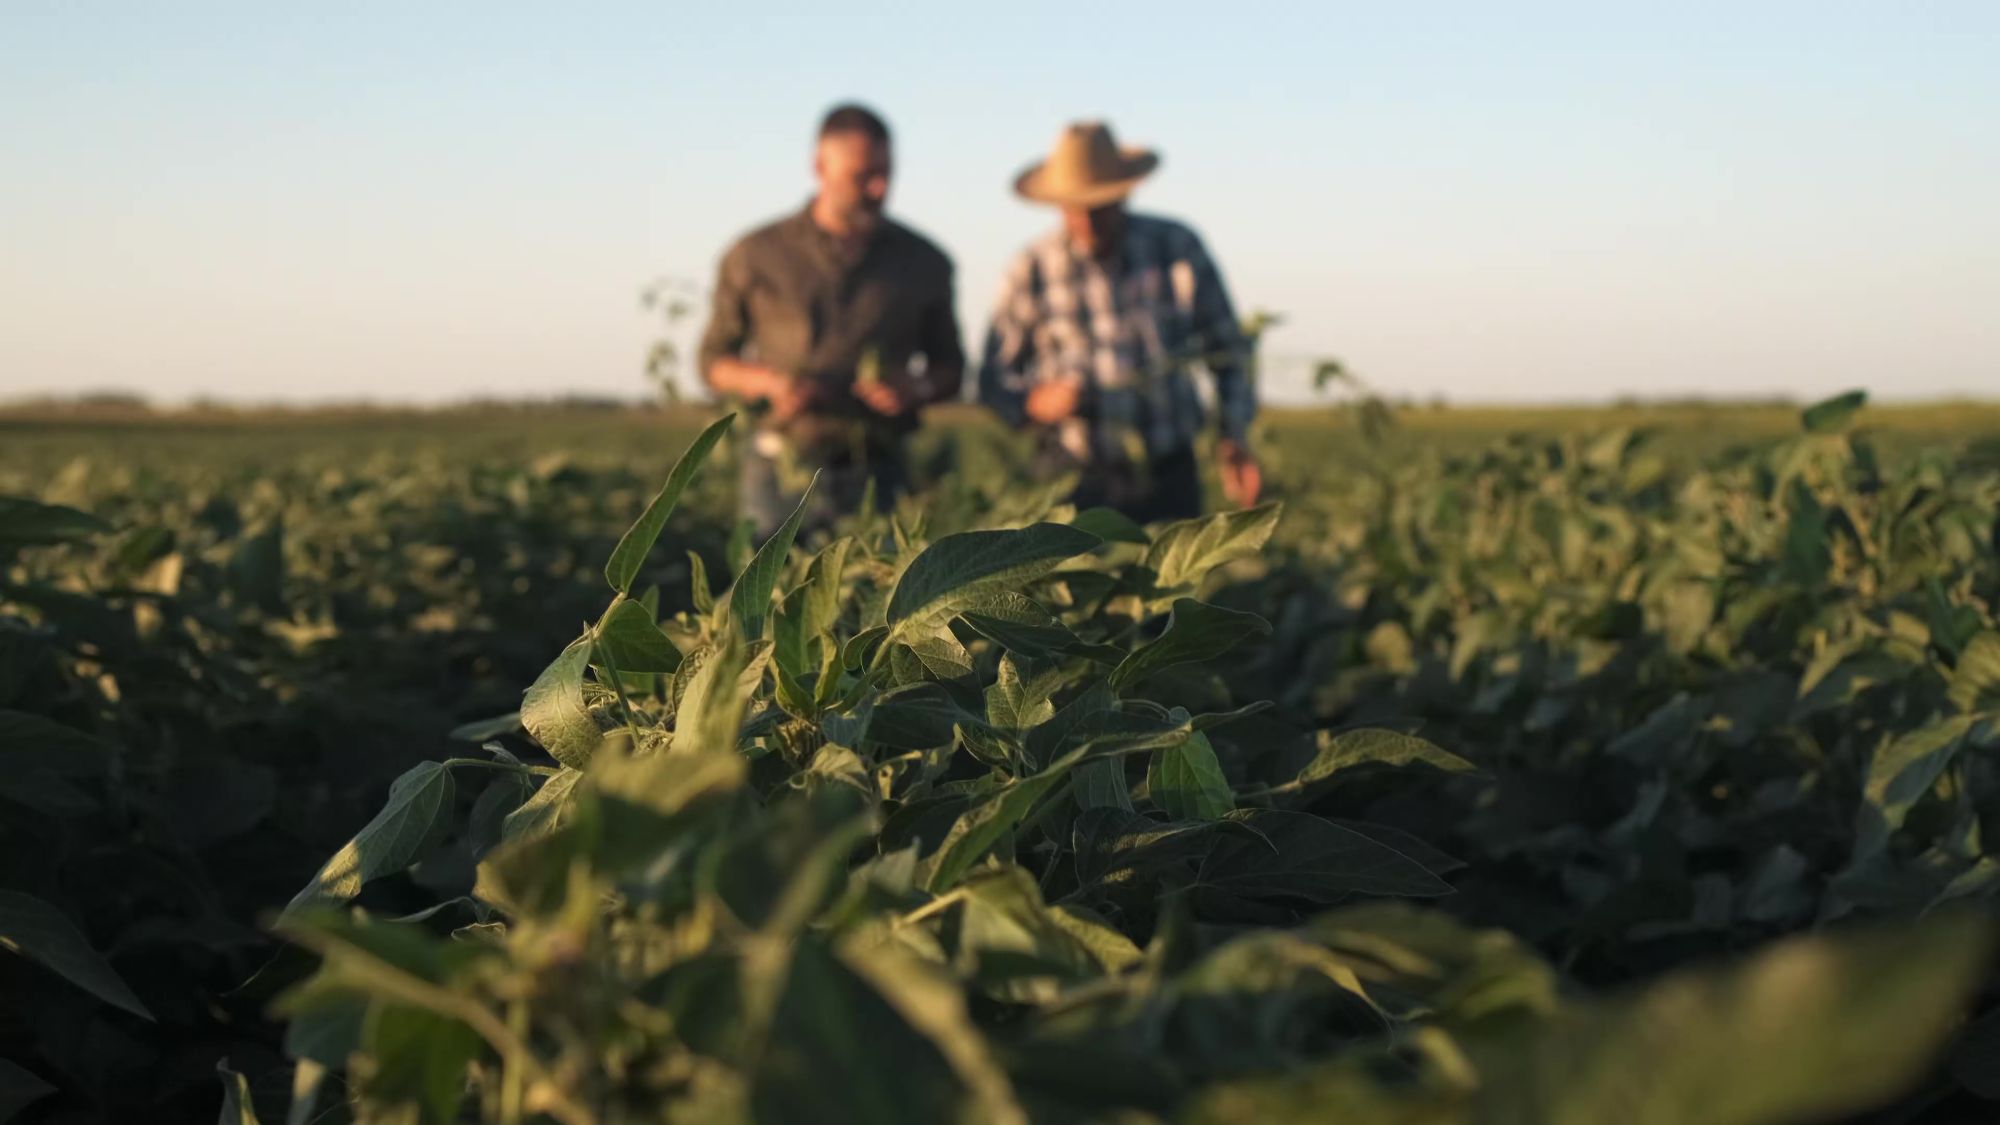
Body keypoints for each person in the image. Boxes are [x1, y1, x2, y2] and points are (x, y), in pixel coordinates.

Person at [699, 103, 965, 536]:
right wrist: (770, 384)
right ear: (820, 167)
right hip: (779, 469)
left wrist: (914, 387)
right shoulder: (756, 254)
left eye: (886, 174)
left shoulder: (925, 262)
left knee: (881, 599)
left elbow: (951, 369)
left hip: (879, 470)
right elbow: (713, 361)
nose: (878, 189)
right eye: (862, 177)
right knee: (767, 598)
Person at [978, 121, 1261, 521]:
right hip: (1073, 476)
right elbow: (992, 380)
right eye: (1077, 207)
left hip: (1168, 472)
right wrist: (1035, 402)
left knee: (1173, 578)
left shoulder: (1176, 248)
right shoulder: (1032, 268)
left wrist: (1233, 435)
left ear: (1126, 193)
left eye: (1100, 205)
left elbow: (1228, 348)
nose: (1088, 220)